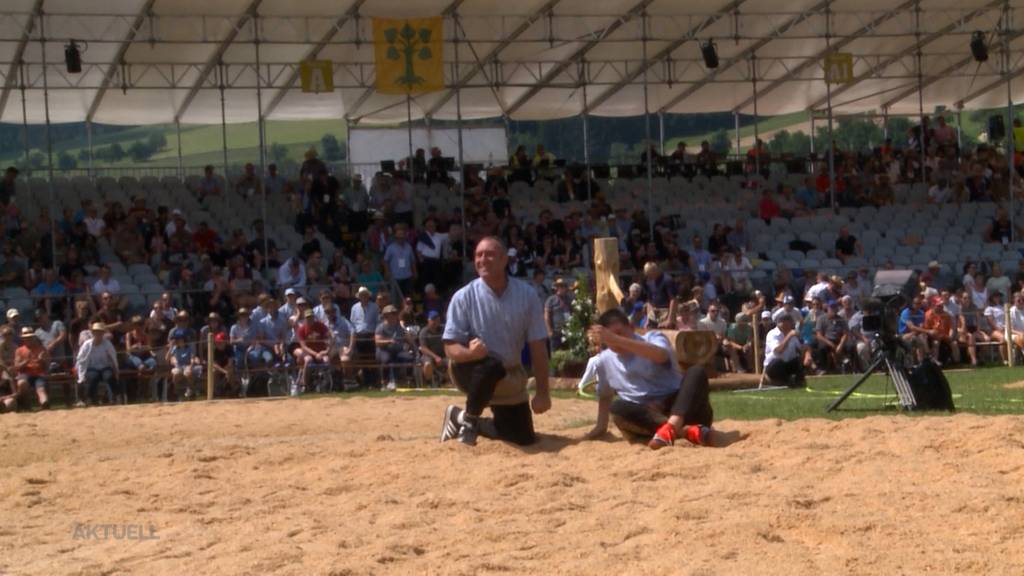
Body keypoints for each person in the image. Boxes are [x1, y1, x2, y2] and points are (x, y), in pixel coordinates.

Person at [439, 236, 551, 446]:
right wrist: (470, 354)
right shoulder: (463, 297)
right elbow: (450, 347)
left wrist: (543, 393)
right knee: (490, 365)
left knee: (523, 437)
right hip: (471, 371)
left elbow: (538, 346)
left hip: (509, 376)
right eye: (478, 255)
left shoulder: (527, 295)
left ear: (504, 260)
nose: (483, 259)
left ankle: (459, 417)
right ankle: (471, 421)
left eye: (489, 254)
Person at [580, 308, 741, 449]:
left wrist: (616, 339)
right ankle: (684, 432)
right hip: (649, 417)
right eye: (609, 336)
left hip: (683, 408)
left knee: (696, 372)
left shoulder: (653, 337)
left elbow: (660, 356)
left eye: (619, 332)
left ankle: (672, 428)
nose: (615, 339)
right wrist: (599, 428)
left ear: (631, 327)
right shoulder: (603, 361)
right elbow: (605, 396)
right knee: (618, 408)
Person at [75, 323, 120, 406]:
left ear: (103, 333)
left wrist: (116, 370)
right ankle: (90, 399)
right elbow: (81, 359)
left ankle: (115, 397)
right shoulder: (87, 345)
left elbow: (113, 357)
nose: (98, 334)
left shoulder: (107, 344)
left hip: (105, 367)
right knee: (92, 377)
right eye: (96, 332)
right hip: (92, 367)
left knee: (109, 376)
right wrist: (81, 373)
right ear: (93, 333)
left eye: (100, 332)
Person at [375, 304, 416, 390]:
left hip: (397, 350)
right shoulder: (380, 327)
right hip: (384, 350)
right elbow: (377, 342)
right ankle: (384, 383)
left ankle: (409, 381)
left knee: (409, 357)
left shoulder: (399, 327)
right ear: (386, 315)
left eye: (395, 313)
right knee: (386, 360)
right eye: (392, 313)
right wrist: (388, 341)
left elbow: (407, 338)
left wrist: (413, 346)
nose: (394, 315)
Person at [764, 313, 805, 388]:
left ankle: (799, 382)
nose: (786, 323)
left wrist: (806, 352)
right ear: (778, 323)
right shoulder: (772, 334)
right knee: (778, 362)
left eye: (788, 321)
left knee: (798, 360)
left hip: (788, 364)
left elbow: (801, 349)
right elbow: (779, 350)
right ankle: (786, 382)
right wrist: (789, 336)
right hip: (774, 366)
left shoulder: (793, 334)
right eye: (783, 321)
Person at [14, 327, 49, 410]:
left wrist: (42, 360)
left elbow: (47, 366)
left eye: (30, 337)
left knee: (41, 389)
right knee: (22, 383)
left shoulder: (42, 349)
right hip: (25, 373)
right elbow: (17, 366)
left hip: (38, 373)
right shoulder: (19, 350)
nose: (28, 339)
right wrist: (26, 361)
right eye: (26, 338)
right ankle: (27, 406)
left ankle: (44, 403)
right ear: (23, 339)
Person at [544, 277, 573, 351]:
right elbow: (547, 315)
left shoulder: (568, 299)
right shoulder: (551, 299)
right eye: (560, 286)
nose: (563, 288)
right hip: (555, 331)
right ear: (557, 288)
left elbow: (572, 312)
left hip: (567, 331)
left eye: (564, 286)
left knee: (567, 352)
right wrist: (549, 330)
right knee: (555, 353)